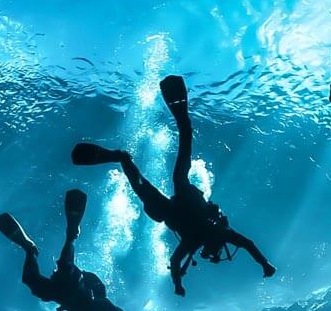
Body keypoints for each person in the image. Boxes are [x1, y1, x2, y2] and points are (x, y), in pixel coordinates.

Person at [71, 75, 276, 296]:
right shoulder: (218, 233)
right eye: (213, 251)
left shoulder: (194, 241)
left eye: (207, 253)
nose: (208, 250)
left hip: (172, 209)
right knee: (175, 178)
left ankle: (122, 157)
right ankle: (180, 124)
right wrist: (264, 264)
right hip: (187, 202)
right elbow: (247, 244)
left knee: (151, 191)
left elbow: (176, 262)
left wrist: (178, 284)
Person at [0, 188, 139, 311]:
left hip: (58, 292)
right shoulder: (100, 304)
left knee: (32, 283)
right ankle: (72, 234)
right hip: (72, 282)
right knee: (65, 265)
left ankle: (29, 248)